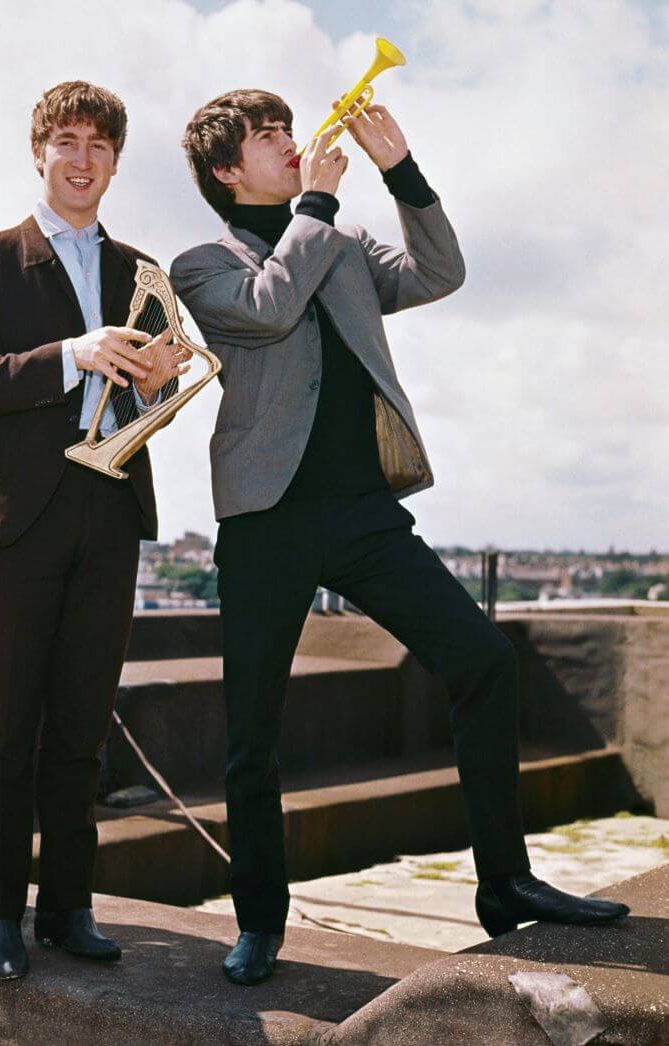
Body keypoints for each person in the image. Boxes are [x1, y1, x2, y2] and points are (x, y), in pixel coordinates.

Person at [171, 90, 630, 986]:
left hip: (362, 510)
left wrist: (402, 173)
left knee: (482, 659)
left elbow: (437, 274)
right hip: (265, 519)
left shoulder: (338, 241)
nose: (294, 144)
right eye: (270, 138)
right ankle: (260, 920)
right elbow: (267, 309)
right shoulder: (201, 264)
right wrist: (317, 205)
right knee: (249, 734)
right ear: (228, 171)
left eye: (286, 129)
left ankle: (505, 884)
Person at [0, 81, 187, 981]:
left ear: (117, 161)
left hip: (110, 511)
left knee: (83, 726)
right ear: (39, 151)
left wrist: (161, 382)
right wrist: (68, 357)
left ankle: (68, 909)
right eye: (66, 142)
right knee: (5, 729)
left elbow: (152, 397)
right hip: (24, 518)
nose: (82, 159)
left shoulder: (142, 270)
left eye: (99, 145)